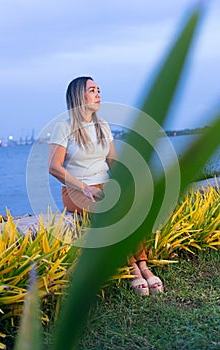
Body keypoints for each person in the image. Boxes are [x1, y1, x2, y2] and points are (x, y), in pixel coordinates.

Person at [48, 76, 163, 296]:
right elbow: (54, 167)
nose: (98, 94)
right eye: (92, 90)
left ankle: (143, 265)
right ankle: (134, 270)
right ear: (78, 96)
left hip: (103, 185)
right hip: (76, 190)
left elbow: (112, 161)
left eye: (99, 89)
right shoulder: (63, 127)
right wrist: (84, 187)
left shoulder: (102, 125)